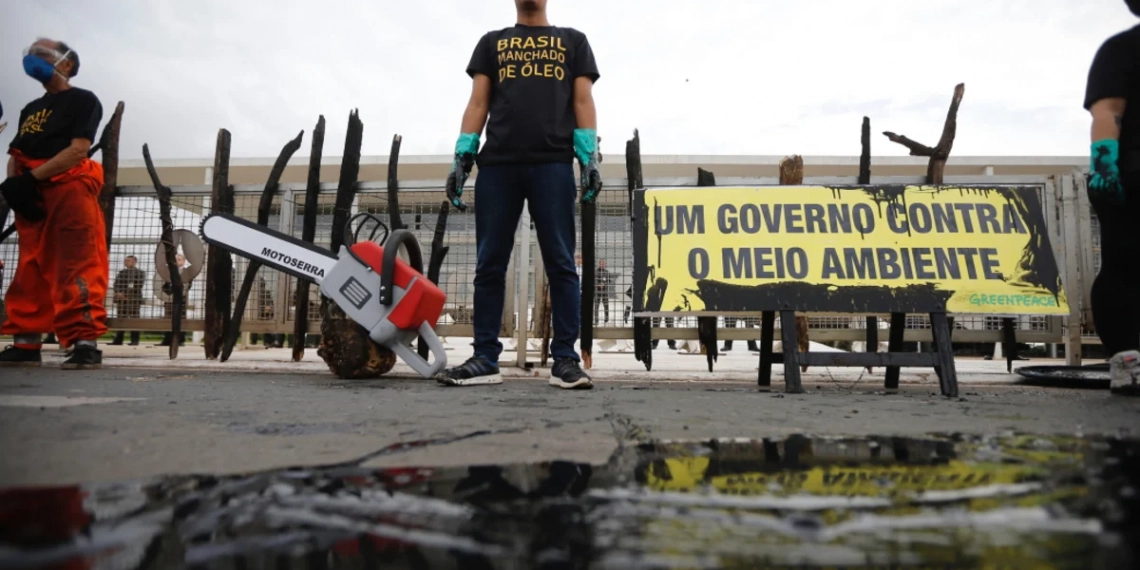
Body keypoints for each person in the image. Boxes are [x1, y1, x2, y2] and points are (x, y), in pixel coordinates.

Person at [435, 0, 601, 389]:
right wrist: (463, 156)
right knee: (489, 263)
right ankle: (485, 358)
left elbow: (582, 102)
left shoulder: (573, 42)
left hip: (553, 164)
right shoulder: (491, 43)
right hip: (498, 166)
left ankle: (564, 360)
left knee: (561, 262)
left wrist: (589, 157)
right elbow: (478, 102)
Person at [0, 38, 106, 370]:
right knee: (29, 267)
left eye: (42, 53)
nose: (34, 58)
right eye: (30, 53)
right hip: (32, 190)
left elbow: (77, 149)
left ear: (66, 63)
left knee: (76, 264)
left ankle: (84, 341)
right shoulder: (30, 109)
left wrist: (32, 179)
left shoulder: (82, 100)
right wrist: (17, 184)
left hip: (68, 185)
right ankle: (26, 342)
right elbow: (16, 152)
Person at [1083, 1, 1140, 396]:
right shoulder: (1123, 49)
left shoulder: (1120, 48)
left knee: (1122, 265)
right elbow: (1108, 112)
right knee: (1123, 263)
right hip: (1132, 173)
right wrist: (1106, 167)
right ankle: (1128, 359)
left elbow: (1108, 112)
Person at [110, 255, 145, 346]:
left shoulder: (140, 273)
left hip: (134, 299)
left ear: (134, 262)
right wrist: (119, 293)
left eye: (128, 260)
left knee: (134, 320)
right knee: (121, 319)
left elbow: (138, 286)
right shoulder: (122, 272)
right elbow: (116, 284)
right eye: (125, 260)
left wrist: (125, 294)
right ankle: (118, 340)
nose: (125, 262)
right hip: (122, 300)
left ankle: (135, 340)